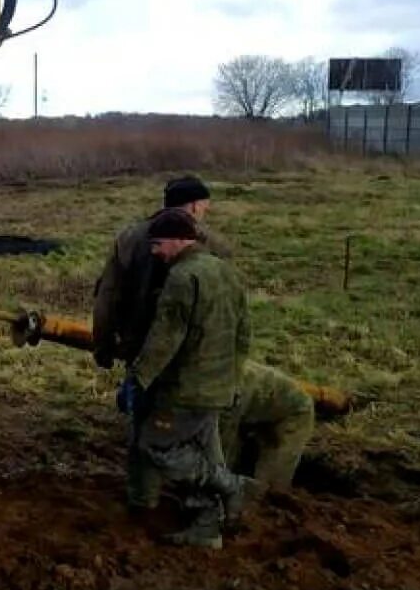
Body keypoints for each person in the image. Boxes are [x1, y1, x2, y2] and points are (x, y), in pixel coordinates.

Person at [119, 208, 255, 549]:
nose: (154, 252)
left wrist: (138, 379)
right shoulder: (227, 272)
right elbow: (244, 334)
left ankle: (229, 484)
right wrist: (234, 381)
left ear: (181, 240)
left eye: (159, 244)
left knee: (157, 445)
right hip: (218, 387)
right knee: (204, 453)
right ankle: (208, 528)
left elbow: (166, 338)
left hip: (185, 390)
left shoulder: (182, 278)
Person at [93, 175, 232, 371]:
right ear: (194, 206)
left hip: (138, 347)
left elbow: (107, 296)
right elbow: (225, 306)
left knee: (141, 396)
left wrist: (102, 344)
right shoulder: (213, 245)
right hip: (192, 355)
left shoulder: (128, 238)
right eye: (204, 205)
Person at [223, 361, 315, 491]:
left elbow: (219, 456)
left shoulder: (223, 392)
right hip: (249, 410)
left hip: (291, 414)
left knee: (268, 492)